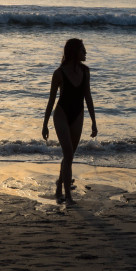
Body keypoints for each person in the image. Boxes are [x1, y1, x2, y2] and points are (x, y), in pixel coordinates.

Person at [42, 38, 97, 204]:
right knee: (67, 153)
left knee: (69, 155)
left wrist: (94, 121)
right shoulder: (59, 73)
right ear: (74, 52)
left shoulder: (85, 71)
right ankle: (68, 196)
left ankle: (59, 185)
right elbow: (51, 100)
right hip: (61, 114)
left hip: (78, 115)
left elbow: (88, 97)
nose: (85, 53)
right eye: (82, 50)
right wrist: (44, 124)